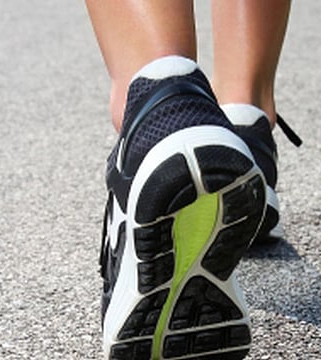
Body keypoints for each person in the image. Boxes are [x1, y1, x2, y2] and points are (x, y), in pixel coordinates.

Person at [86, 1, 301, 359]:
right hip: (244, 145)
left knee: (159, 82)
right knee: (242, 100)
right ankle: (245, 124)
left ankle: (158, 99)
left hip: (160, 132)